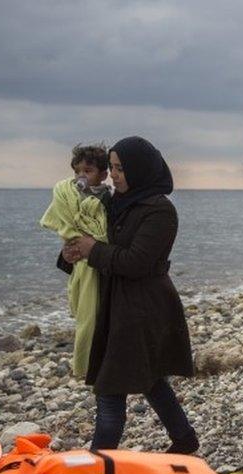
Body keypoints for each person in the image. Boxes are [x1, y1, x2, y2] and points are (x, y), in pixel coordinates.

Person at [61, 136, 198, 454]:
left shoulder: (160, 211)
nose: (114, 174)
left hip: (142, 309)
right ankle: (185, 439)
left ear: (140, 169)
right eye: (111, 167)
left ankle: (97, 465)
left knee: (109, 389)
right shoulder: (109, 204)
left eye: (120, 168)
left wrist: (92, 249)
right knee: (150, 380)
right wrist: (71, 254)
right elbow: (92, 241)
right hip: (113, 306)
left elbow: (136, 262)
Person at [42, 144, 110, 379]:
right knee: (85, 316)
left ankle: (92, 365)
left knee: (97, 320)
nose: (81, 176)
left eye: (88, 171)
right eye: (77, 171)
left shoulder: (109, 200)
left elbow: (105, 234)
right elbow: (68, 226)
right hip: (82, 267)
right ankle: (88, 367)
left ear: (103, 174)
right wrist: (69, 250)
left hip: (104, 271)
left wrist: (93, 244)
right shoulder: (70, 196)